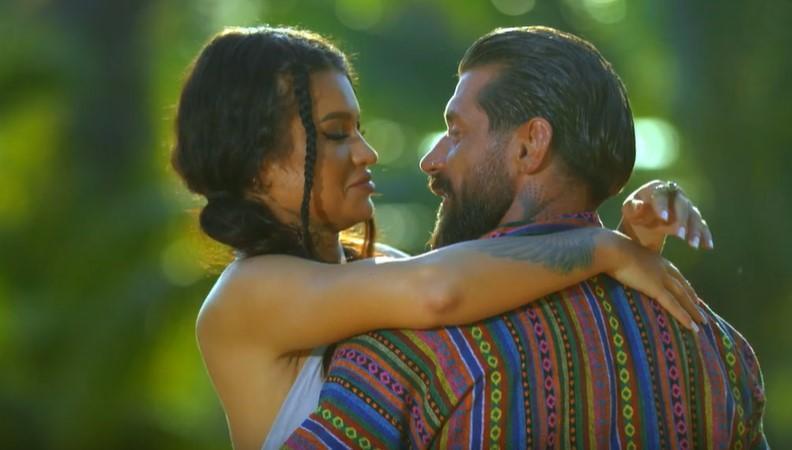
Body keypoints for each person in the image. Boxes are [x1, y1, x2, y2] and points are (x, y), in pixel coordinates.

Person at [171, 27, 710, 450]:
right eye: (335, 133)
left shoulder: (377, 268)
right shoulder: (245, 295)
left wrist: (636, 243)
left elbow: (493, 288)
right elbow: (439, 291)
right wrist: (604, 248)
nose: (366, 152)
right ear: (257, 163)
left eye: (359, 129)